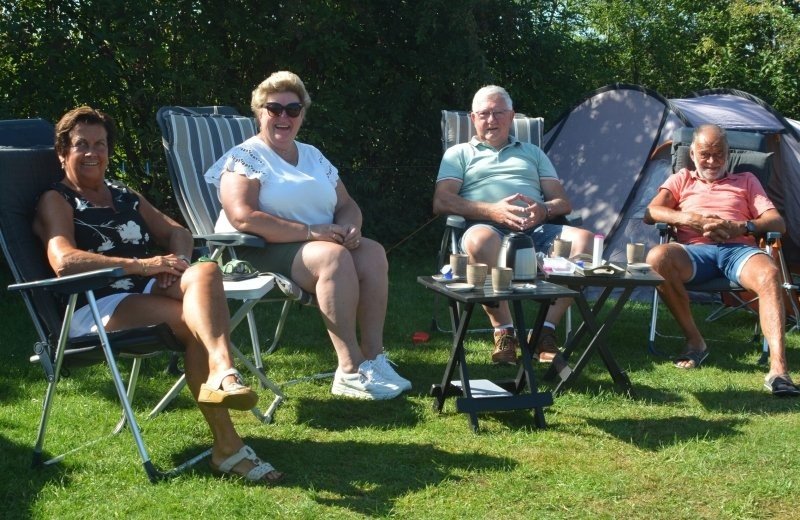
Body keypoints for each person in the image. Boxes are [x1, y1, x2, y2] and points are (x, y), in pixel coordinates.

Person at [33, 106, 284, 483]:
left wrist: (178, 262)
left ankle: (223, 373)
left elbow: (178, 231)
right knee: (194, 323)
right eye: (81, 145)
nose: (92, 153)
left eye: (99, 144)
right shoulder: (57, 199)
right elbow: (64, 262)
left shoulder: (122, 193)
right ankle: (228, 447)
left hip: (147, 288)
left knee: (206, 270)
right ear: (62, 152)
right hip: (92, 303)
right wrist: (145, 266)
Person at [204, 71, 410, 400]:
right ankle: (349, 369)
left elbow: (346, 203)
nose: (283, 116)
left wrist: (351, 225)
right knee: (333, 257)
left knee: (372, 252)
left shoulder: (313, 155)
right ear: (260, 112)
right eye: (274, 108)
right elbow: (242, 216)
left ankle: (373, 359)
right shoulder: (245, 157)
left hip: (315, 246)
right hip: (259, 250)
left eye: (293, 109)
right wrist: (312, 231)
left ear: (302, 114)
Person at [433, 85, 594, 365]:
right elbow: (442, 201)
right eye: (484, 114)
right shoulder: (459, 154)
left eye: (499, 113)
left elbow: (562, 203)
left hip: (537, 230)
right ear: (473, 118)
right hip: (487, 228)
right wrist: (492, 211)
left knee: (586, 241)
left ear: (512, 116)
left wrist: (543, 210)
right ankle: (505, 332)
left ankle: (545, 331)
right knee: (480, 241)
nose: (491, 120)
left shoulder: (533, 153)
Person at [644, 123, 799, 396]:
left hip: (738, 249)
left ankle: (778, 368)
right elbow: (652, 212)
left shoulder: (747, 180)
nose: (712, 161)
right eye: (705, 154)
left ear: (729, 154)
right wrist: (691, 218)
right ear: (692, 153)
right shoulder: (682, 178)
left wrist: (742, 227)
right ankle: (695, 342)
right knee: (657, 258)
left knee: (770, 273)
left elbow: (777, 222)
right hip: (693, 251)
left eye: (719, 154)